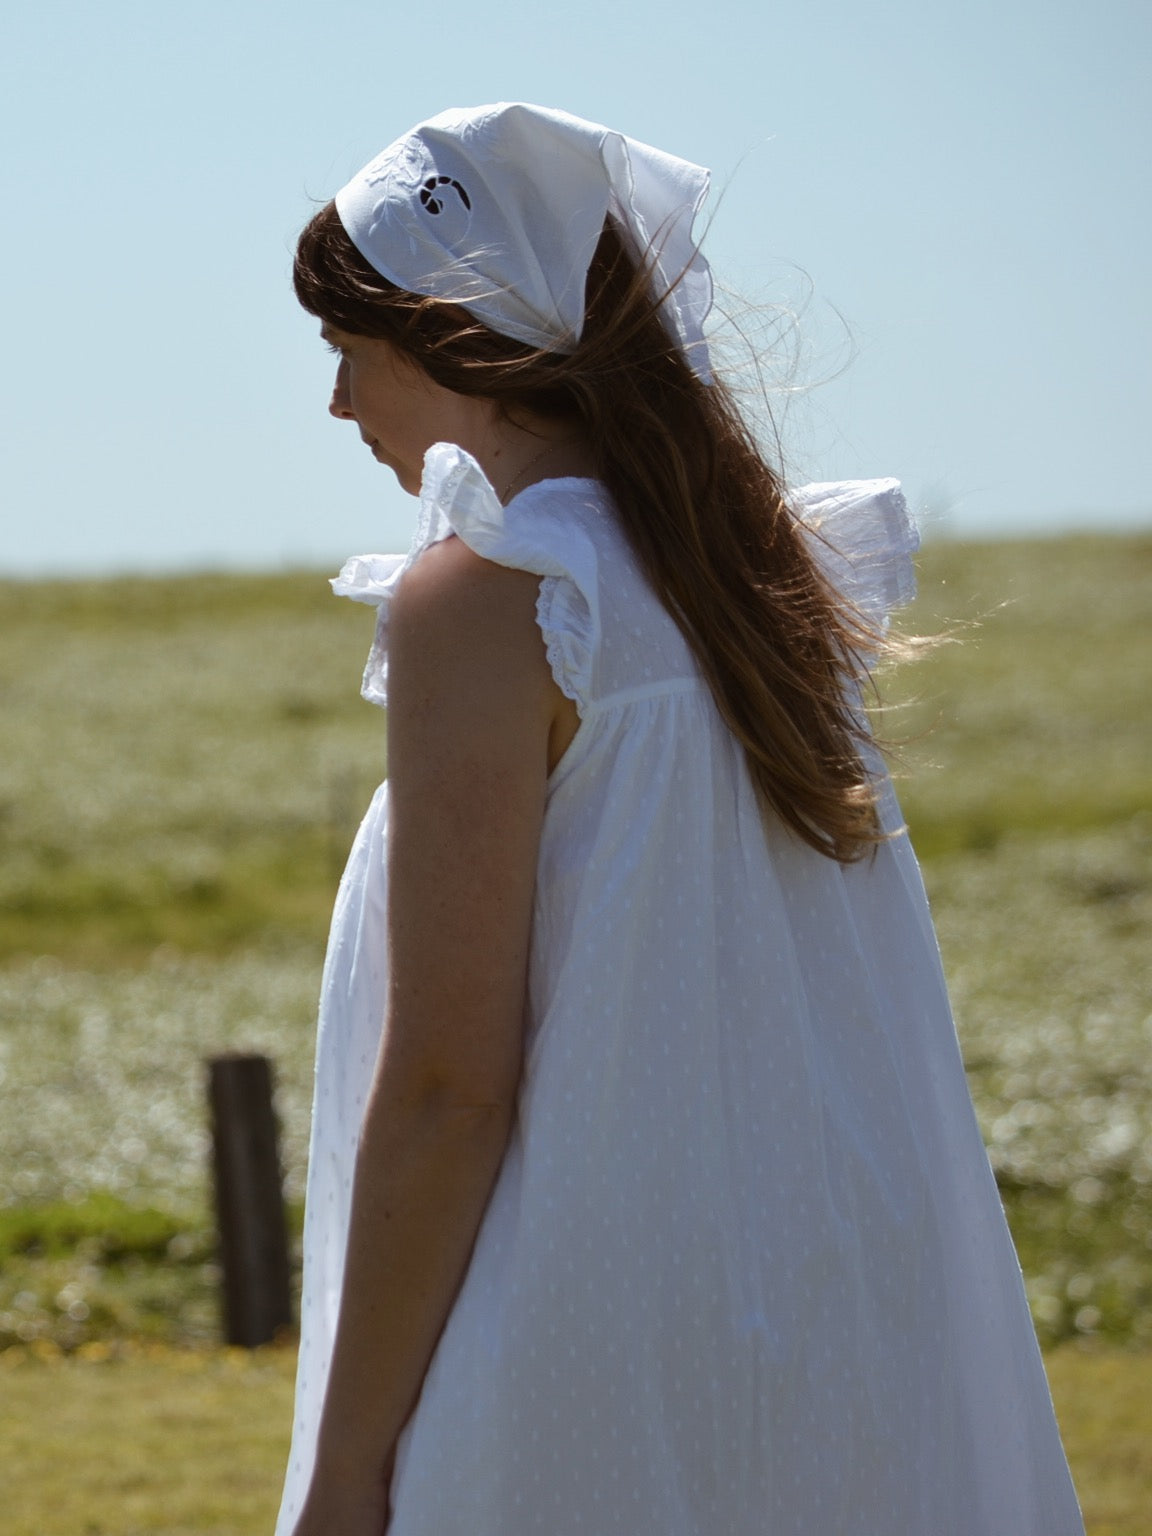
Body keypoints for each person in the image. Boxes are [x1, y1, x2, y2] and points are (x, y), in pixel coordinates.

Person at [276, 103, 1084, 1536]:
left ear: (458, 333)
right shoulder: (755, 582)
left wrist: (345, 1473)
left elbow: (452, 1089)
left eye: (349, 347)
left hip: (581, 1354)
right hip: (838, 1320)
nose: (340, 403)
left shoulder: (494, 600)